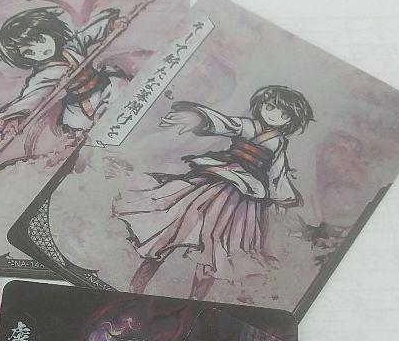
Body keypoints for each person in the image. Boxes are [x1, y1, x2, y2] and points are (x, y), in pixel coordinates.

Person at [118, 85, 312, 300]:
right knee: (178, 224)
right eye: (270, 107)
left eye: (284, 114)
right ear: (261, 105)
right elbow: (226, 124)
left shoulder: (278, 142)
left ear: (290, 120)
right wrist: (197, 118)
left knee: (217, 246)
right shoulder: (248, 125)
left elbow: (277, 173)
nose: (275, 115)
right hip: (216, 182)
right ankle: (137, 284)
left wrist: (282, 200)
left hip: (243, 200)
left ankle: (195, 301)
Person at [0, 5, 127, 142]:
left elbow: (88, 33)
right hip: (76, 104)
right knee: (79, 126)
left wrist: (110, 25)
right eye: (29, 52)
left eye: (40, 39)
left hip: (103, 85)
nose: (40, 50)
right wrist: (13, 118)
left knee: (120, 90)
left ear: (49, 30)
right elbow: (31, 95)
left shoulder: (72, 47)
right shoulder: (44, 74)